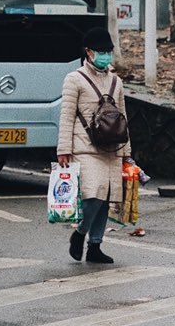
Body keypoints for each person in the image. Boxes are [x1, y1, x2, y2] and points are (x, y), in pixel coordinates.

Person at [56, 27, 131, 264]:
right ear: (88, 52)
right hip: (84, 147)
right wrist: (63, 149)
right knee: (93, 194)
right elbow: (66, 116)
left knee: (107, 198)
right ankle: (79, 234)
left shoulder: (116, 81)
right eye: (101, 51)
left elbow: (123, 117)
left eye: (108, 51)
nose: (106, 56)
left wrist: (127, 153)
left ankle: (95, 246)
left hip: (112, 149)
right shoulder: (74, 79)